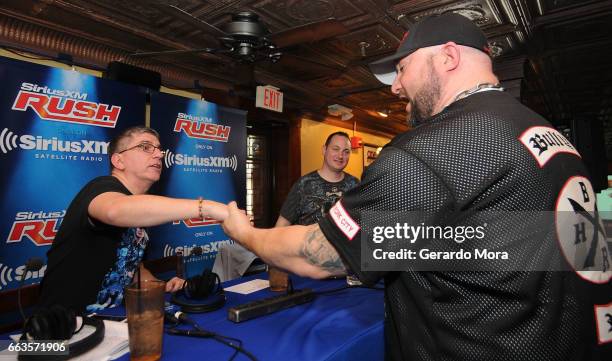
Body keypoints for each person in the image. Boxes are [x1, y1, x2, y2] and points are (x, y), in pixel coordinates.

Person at [220, 13, 611, 361]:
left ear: (447, 57)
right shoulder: (548, 134)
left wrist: (246, 233)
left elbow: (317, 256)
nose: (396, 87)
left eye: (403, 69)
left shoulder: (433, 149)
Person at [39, 126, 228, 313]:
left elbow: (132, 269)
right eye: (145, 147)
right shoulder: (100, 187)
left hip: (112, 324)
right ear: (118, 160)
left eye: (159, 149)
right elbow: (114, 211)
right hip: (59, 330)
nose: (159, 155)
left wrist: (161, 286)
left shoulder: (140, 209)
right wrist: (207, 208)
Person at [276, 131, 358, 227]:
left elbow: (363, 223)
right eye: (335, 149)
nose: (340, 156)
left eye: (346, 152)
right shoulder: (303, 184)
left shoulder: (355, 185)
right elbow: (281, 225)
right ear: (324, 150)